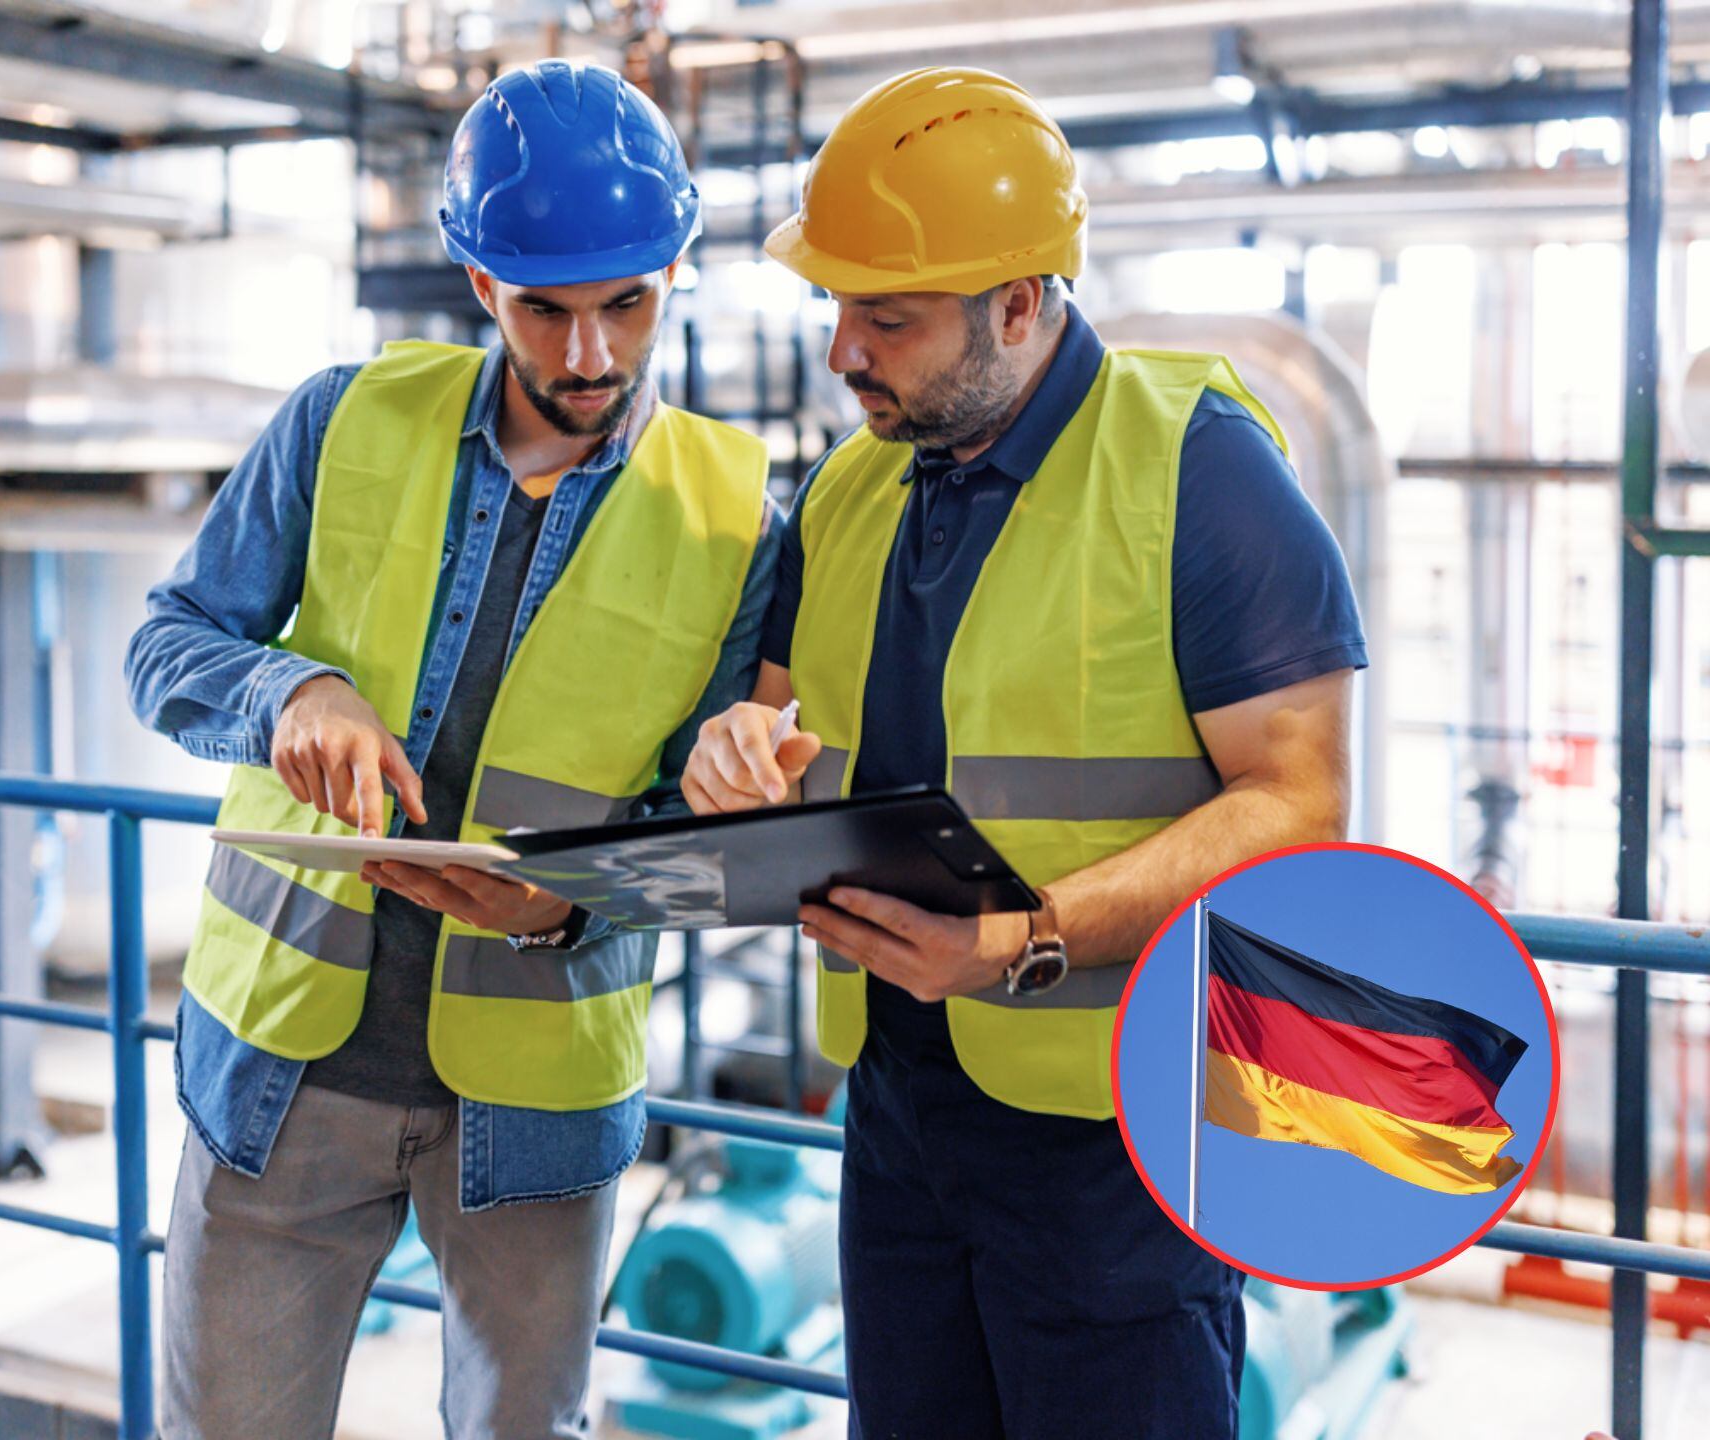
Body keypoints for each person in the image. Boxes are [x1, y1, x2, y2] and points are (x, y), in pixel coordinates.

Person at [682, 66, 1367, 1440]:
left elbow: (1298, 802)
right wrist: (734, 754)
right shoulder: (850, 486)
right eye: (836, 309)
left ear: (1019, 302)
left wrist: (1028, 938)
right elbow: (765, 718)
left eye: (887, 317)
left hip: (1115, 1142)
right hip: (895, 1118)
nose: (842, 355)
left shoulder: (1197, 467)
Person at [125, 60, 779, 1440]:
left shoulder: (738, 526)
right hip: (280, 1083)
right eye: (547, 308)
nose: (591, 355)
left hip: (537, 1104)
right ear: (481, 285)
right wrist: (290, 695)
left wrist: (567, 900)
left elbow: (711, 842)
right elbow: (166, 646)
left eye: (628, 305)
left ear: (674, 274)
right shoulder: (342, 422)